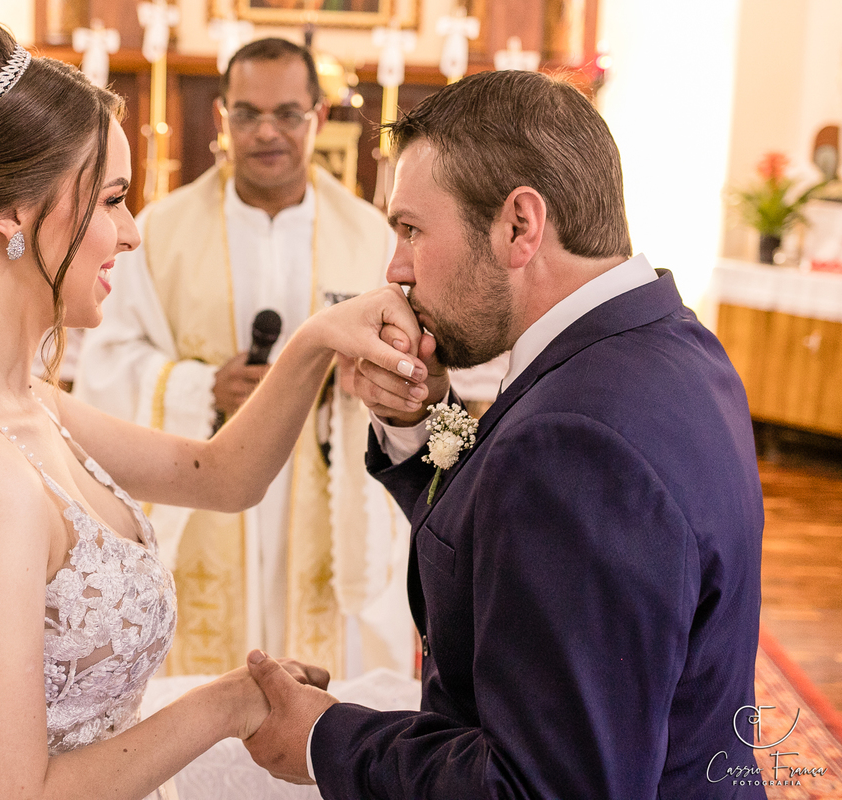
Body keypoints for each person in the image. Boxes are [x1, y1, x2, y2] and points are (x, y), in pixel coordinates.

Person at [0, 22, 427, 800]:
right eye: (112, 199)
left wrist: (314, 341)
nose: (134, 232)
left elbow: (221, 475)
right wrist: (227, 704)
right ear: (13, 210)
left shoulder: (19, 401)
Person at [241, 69, 767, 798]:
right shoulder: (673, 346)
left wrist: (324, 738)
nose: (394, 268)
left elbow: (543, 787)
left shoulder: (576, 444)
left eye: (412, 229)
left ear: (520, 225)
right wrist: (420, 420)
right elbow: (511, 548)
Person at [73, 37, 412, 680]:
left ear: (317, 116)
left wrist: (363, 374)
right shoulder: (162, 230)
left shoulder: (369, 235)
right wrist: (203, 388)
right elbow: (107, 363)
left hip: (322, 479)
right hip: (204, 485)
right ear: (222, 115)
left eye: (287, 113)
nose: (266, 132)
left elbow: (406, 358)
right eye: (246, 113)